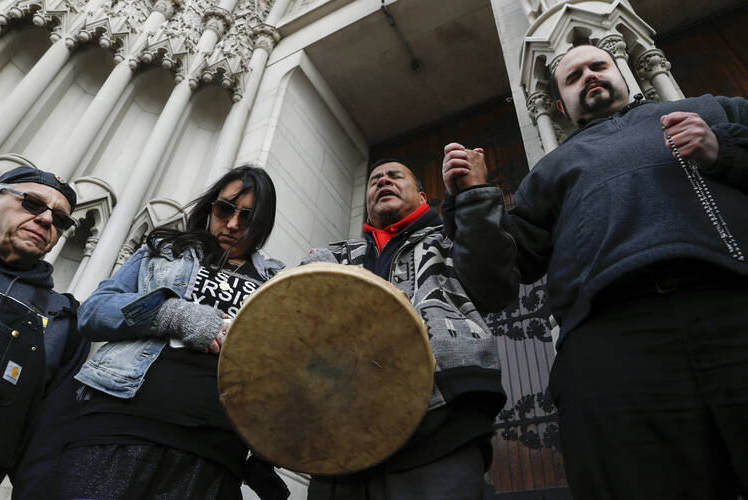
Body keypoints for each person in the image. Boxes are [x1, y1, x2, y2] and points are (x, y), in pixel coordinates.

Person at [442, 44, 748, 500]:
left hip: (733, 304)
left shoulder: (712, 110)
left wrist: (723, 151)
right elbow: (494, 283)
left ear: (623, 71)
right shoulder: (549, 171)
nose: (589, 75)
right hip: (611, 344)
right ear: (561, 106)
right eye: (574, 76)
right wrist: (473, 200)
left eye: (597, 66)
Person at [51, 165, 290, 500]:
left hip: (214, 453)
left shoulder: (278, 283)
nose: (234, 224)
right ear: (210, 207)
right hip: (119, 425)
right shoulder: (165, 249)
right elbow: (93, 312)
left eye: (249, 217)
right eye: (225, 210)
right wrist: (174, 314)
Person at [302, 158, 519, 500]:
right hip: (343, 439)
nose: (383, 181)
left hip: (440, 424)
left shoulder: (451, 238)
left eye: (394, 176)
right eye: (375, 180)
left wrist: (475, 196)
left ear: (422, 197)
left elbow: (495, 286)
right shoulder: (338, 255)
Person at [0, 165, 90, 499]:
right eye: (33, 204)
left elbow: (45, 446)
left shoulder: (63, 321)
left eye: (61, 219)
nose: (47, 220)